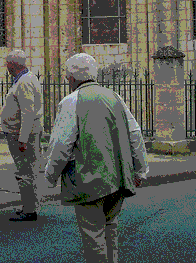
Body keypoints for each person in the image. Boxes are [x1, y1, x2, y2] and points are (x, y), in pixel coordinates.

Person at [45, 53, 148, 263]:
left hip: (88, 179)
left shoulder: (71, 101)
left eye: (67, 75)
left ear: (72, 77)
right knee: (111, 230)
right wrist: (140, 170)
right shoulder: (114, 97)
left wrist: (50, 174)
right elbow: (135, 134)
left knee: (93, 236)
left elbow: (61, 145)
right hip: (118, 177)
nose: (66, 79)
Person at [0, 49, 44, 221]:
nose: (6, 66)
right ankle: (30, 205)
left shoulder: (24, 82)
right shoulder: (27, 78)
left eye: (7, 63)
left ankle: (29, 209)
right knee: (28, 170)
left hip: (21, 133)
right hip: (23, 132)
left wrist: (23, 138)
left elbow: (28, 111)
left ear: (12, 64)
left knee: (24, 171)